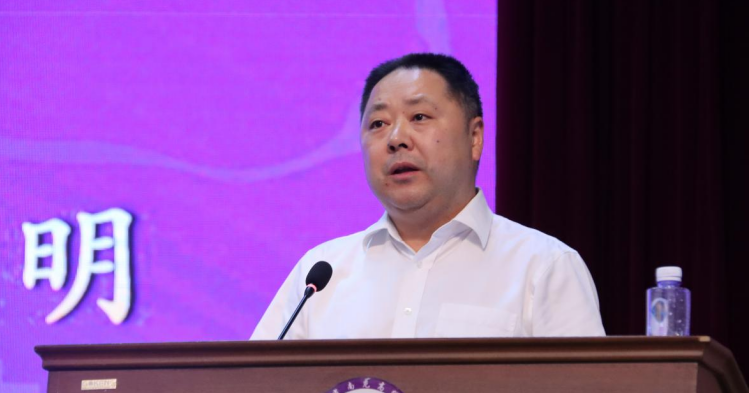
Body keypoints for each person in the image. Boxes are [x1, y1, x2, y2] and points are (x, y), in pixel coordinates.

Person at [251, 53, 605, 340]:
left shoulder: (543, 267)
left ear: (474, 137)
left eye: (419, 116)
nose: (396, 139)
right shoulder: (320, 274)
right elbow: (255, 392)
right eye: (378, 124)